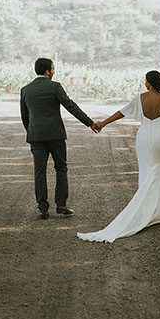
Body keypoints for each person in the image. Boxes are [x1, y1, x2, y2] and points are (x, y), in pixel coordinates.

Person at [77, 70, 160, 243]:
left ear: (149, 83)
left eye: (145, 81)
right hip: (159, 137)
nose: (144, 84)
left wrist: (102, 123)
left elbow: (122, 112)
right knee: (158, 174)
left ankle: (144, 212)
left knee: (146, 173)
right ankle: (155, 213)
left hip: (143, 137)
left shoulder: (140, 98)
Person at [20, 57, 99, 220]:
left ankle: (43, 209)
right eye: (53, 69)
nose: (54, 71)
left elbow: (24, 116)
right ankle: (61, 205)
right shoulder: (54, 87)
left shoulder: (25, 90)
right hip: (55, 135)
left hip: (36, 137)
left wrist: (33, 131)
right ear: (48, 71)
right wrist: (89, 123)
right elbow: (71, 106)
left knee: (39, 171)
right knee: (61, 168)